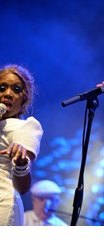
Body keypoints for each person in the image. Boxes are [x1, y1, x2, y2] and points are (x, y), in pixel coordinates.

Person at [0, 64, 43, 226]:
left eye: (16, 89)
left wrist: (21, 164)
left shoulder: (23, 127)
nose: (7, 94)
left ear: (24, 99)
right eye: (2, 88)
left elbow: (23, 187)